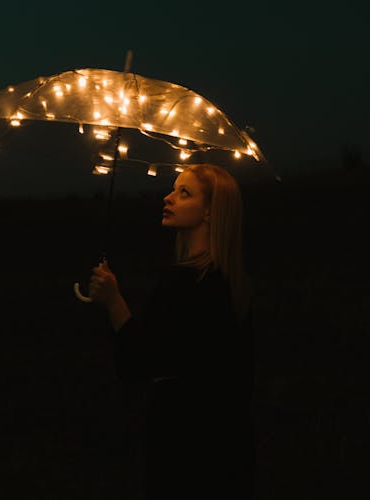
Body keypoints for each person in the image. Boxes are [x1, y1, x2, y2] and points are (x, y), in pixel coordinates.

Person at [89, 163, 256, 499]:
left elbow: (137, 363)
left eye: (184, 193)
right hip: (226, 443)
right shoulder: (229, 282)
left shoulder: (184, 283)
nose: (168, 198)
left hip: (181, 442)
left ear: (210, 211)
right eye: (173, 189)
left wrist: (113, 299)